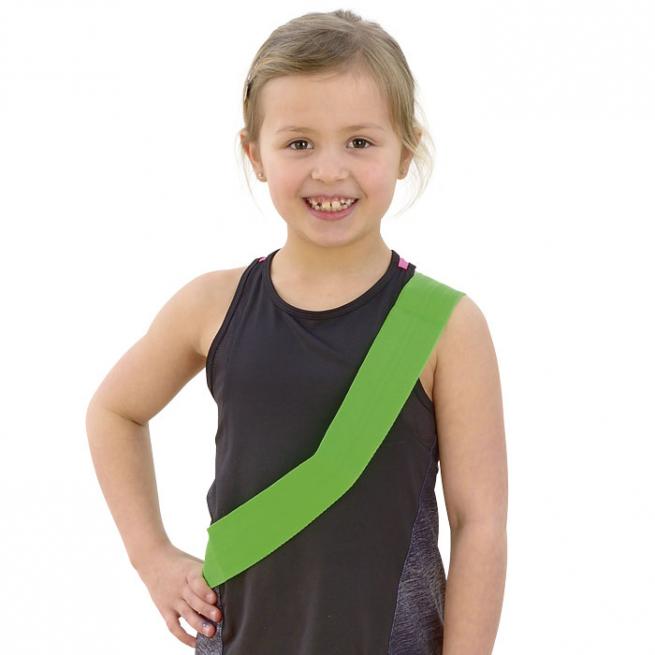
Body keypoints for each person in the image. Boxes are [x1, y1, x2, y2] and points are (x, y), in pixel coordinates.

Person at [85, 9, 507, 655]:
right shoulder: (211, 305)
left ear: (405, 151)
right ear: (255, 154)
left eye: (359, 142)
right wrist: (153, 558)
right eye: (299, 143)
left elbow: (478, 523)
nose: (329, 170)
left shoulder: (447, 327)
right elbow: (114, 411)